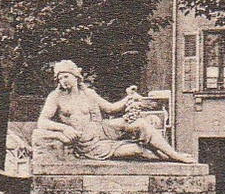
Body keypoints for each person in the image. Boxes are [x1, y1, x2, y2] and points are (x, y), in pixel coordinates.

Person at [33, 60, 192, 163]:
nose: (63, 81)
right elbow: (43, 122)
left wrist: (128, 98)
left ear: (76, 76)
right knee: (136, 150)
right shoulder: (55, 97)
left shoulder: (88, 93)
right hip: (87, 143)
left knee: (140, 124)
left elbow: (110, 108)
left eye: (66, 77)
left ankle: (174, 154)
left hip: (102, 129)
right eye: (60, 78)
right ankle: (167, 158)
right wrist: (64, 128)